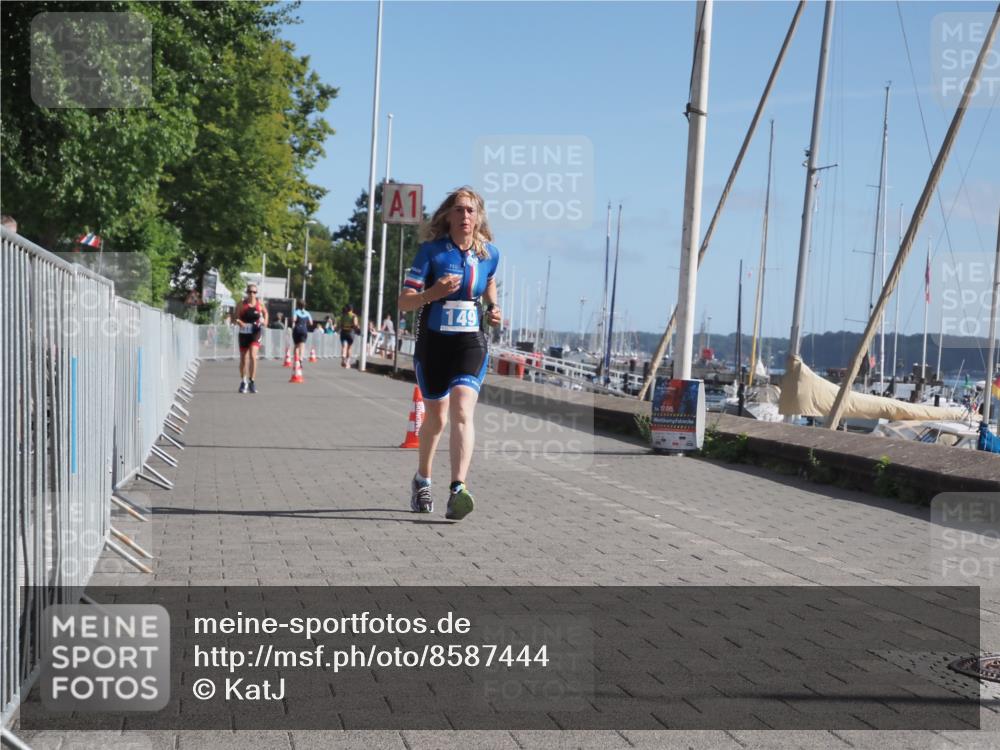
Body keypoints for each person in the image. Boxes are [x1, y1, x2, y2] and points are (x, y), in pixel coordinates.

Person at [397, 187, 501, 520]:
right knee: (437, 418)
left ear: (479, 216)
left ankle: (458, 488)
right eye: (459, 210)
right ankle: (423, 479)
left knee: (462, 407)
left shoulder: (489, 254)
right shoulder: (430, 253)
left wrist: (495, 308)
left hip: (470, 341)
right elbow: (404, 302)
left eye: (471, 210)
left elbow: (489, 283)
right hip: (434, 342)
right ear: (448, 215)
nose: (465, 216)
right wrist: (433, 292)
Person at [235, 284, 268, 393]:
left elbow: (265, 313)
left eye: (254, 292)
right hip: (244, 333)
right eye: (250, 292)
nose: (252, 294)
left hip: (255, 332)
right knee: (244, 359)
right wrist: (240, 322)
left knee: (253, 356)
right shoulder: (241, 304)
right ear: (247, 292)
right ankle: (243, 381)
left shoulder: (260, 304)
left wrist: (265, 322)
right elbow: (235, 317)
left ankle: (252, 382)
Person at [291, 299, 312, 364]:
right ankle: (301, 358)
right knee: (302, 346)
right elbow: (311, 323)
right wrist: (305, 323)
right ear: (304, 306)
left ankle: (296, 359)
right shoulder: (307, 313)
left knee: (296, 345)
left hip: (297, 329)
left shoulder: (296, 312)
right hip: (304, 329)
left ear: (297, 305)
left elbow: (294, 320)